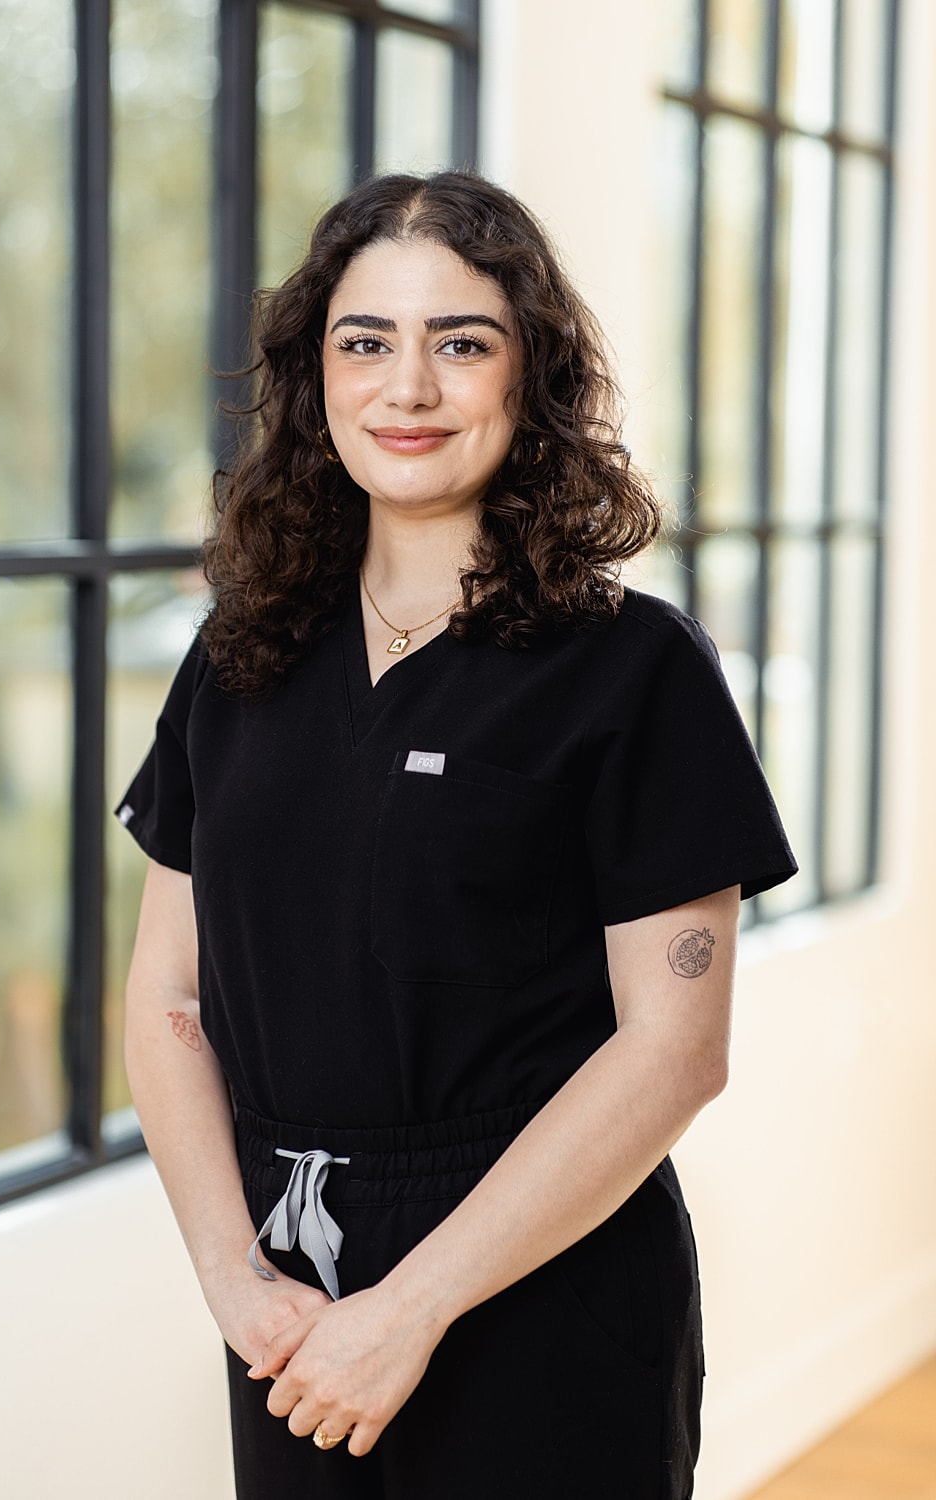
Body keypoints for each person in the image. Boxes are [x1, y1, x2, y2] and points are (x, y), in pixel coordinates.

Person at [118, 170, 796, 1500]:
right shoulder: (240, 656)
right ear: (314, 379)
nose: (407, 389)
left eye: (461, 344)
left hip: (541, 1280)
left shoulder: (633, 671)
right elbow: (166, 996)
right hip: (291, 1301)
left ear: (528, 377)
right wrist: (235, 1276)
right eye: (364, 342)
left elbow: (674, 1053)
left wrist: (411, 1308)